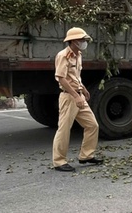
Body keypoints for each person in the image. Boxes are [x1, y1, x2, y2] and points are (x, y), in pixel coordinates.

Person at [52, 27, 103, 172]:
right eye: (82, 40)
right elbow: (61, 78)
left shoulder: (78, 55)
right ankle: (59, 161)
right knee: (64, 129)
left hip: (78, 94)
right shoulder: (63, 55)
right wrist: (75, 95)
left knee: (92, 125)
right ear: (73, 41)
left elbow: (75, 76)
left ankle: (86, 155)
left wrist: (83, 89)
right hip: (69, 96)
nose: (84, 42)